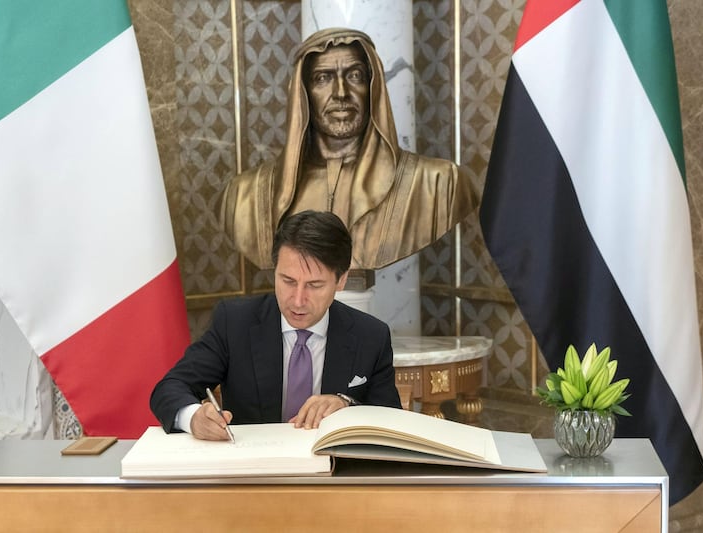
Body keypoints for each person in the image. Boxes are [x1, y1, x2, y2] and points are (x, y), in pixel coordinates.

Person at [218, 27, 477, 271]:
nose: (341, 93)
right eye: (323, 78)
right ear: (303, 94)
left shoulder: (440, 185)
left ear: (373, 89)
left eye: (355, 76)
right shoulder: (244, 196)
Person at [150, 210, 402, 440]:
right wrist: (193, 417)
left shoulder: (370, 336)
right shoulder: (235, 323)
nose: (298, 300)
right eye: (288, 280)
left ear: (341, 280)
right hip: (253, 477)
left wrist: (347, 407)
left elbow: (391, 422)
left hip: (335, 477)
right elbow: (170, 387)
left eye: (314, 285)